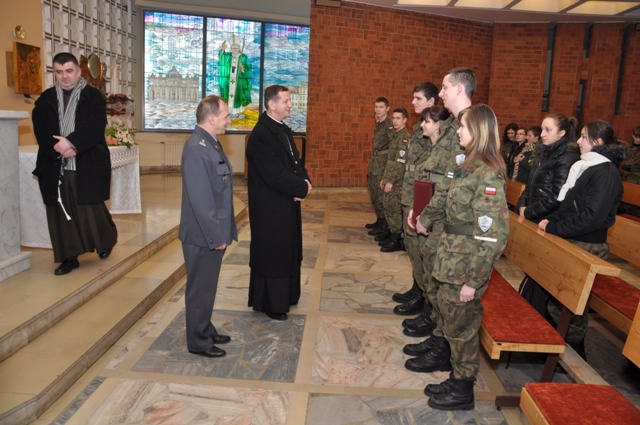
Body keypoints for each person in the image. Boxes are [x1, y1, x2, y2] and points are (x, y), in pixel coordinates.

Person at [424, 104, 509, 411]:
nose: (458, 131)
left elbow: (490, 237)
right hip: (452, 260)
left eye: (463, 127)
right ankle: (456, 375)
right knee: (452, 322)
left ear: (479, 131)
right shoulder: (470, 167)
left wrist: (473, 280)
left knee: (462, 328)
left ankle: (463, 389)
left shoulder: (488, 176)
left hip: (465, 267)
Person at [404, 67, 474, 372]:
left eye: (444, 87)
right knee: (437, 288)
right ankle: (438, 337)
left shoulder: (471, 126)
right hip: (437, 219)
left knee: (448, 294)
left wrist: (427, 213)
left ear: (458, 89)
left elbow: (450, 181)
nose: (440, 93)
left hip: (451, 225)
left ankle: (444, 347)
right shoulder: (454, 126)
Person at [538, 120, 626, 360]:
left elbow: (591, 218)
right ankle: (559, 352)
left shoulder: (605, 172)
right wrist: (550, 220)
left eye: (584, 136)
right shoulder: (588, 166)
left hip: (588, 244)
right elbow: (569, 204)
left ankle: (575, 356)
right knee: (560, 300)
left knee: (571, 304)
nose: (578, 141)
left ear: (598, 142)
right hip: (574, 239)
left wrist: (556, 227)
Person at [32, 52, 117, 275]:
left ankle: (105, 240)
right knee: (59, 212)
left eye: (69, 71)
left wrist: (72, 143)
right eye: (59, 72)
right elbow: (40, 128)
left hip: (86, 161)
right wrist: (59, 148)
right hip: (55, 163)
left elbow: (95, 126)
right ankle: (69, 257)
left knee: (90, 208)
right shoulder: (46, 98)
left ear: (78, 72)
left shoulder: (93, 97)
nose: (64, 76)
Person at [246, 85, 311, 321]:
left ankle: (287, 296)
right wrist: (302, 188)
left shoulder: (281, 128)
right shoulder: (261, 135)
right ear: (271, 104)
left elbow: (296, 161)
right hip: (270, 208)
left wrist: (305, 181)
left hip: (286, 202)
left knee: (287, 251)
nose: (290, 104)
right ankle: (271, 303)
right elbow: (274, 175)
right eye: (285, 101)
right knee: (274, 254)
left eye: (290, 100)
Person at [180, 95, 237, 358]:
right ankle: (198, 342)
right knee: (200, 290)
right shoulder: (196, 148)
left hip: (211, 232)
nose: (229, 120)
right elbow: (201, 200)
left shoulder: (209, 143)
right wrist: (216, 236)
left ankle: (205, 328)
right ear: (212, 118)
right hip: (202, 235)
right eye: (226, 116)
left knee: (207, 286)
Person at [400, 105, 453, 335]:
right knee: (422, 266)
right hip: (423, 213)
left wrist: (425, 214)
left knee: (431, 273)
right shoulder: (433, 148)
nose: (422, 124)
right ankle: (428, 311)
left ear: (438, 125)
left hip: (434, 219)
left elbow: (440, 188)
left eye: (427, 121)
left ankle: (432, 318)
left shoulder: (445, 151)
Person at [392, 82, 439, 316]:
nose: (413, 102)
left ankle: (423, 297)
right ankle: (417, 288)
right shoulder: (419, 128)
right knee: (412, 248)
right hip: (409, 196)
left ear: (431, 101)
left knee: (421, 251)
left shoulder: (437, 130)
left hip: (422, 201)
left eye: (418, 98)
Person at [516, 113, 580, 223]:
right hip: (532, 212)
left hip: (547, 219)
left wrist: (528, 212)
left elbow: (557, 195)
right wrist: (522, 205)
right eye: (542, 129)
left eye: (548, 130)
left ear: (561, 133)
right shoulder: (543, 153)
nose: (542, 134)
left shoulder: (567, 157)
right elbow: (530, 184)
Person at [378, 108, 410, 252]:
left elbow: (400, 163)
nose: (395, 121)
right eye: (394, 118)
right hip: (390, 178)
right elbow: (390, 161)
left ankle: (396, 239)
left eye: (398, 118)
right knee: (388, 207)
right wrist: (385, 178)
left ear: (405, 120)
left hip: (397, 182)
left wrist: (391, 181)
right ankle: (392, 234)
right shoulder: (396, 136)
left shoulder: (404, 138)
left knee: (394, 210)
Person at [365, 97, 394, 233]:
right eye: (376, 107)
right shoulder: (380, 124)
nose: (378, 110)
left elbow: (393, 146)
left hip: (383, 165)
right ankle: (379, 221)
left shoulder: (389, 124)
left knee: (381, 197)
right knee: (375, 195)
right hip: (375, 165)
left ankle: (384, 226)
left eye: (381, 107)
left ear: (387, 109)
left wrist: (389, 169)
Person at [219, 35, 252, 116]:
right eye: (233, 48)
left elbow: (248, 68)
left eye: (236, 48)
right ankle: (228, 111)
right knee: (228, 95)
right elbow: (222, 59)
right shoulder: (228, 56)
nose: (234, 49)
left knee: (238, 94)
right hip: (228, 80)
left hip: (239, 81)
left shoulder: (243, 57)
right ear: (231, 48)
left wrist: (242, 68)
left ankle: (238, 112)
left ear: (239, 48)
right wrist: (222, 49)